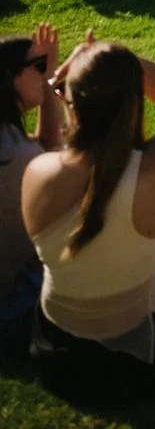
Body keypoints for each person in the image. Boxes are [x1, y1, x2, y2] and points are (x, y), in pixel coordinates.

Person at [22, 38, 155, 401]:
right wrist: (116, 59)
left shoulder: (39, 173)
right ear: (133, 102)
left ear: (72, 106)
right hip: (134, 365)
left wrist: (79, 73)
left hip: (57, 356)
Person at [0, 22, 62, 349]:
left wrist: (48, 78)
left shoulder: (9, 140)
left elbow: (47, 145)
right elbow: (54, 154)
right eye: (37, 67)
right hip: (10, 311)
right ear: (11, 77)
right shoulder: (15, 155)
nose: (44, 73)